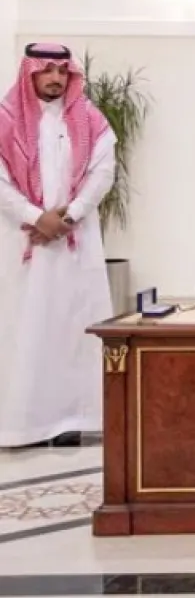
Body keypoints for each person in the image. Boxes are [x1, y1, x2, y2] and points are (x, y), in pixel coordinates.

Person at [0, 44, 116, 449]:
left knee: (72, 330)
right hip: (22, 244)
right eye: (46, 71)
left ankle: (72, 419)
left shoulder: (91, 120)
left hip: (74, 243)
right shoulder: (6, 119)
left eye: (61, 72)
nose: (54, 78)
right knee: (25, 328)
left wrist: (67, 217)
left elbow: (103, 174)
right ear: (29, 74)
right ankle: (23, 425)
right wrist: (36, 218)